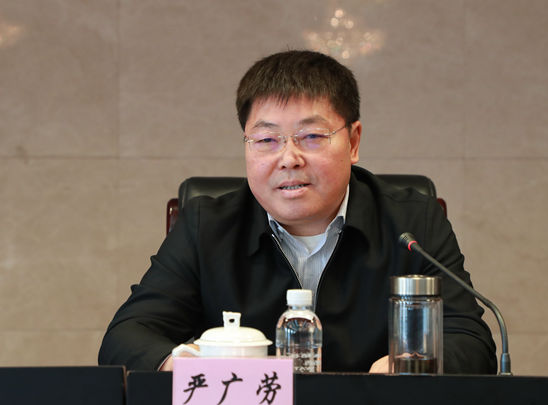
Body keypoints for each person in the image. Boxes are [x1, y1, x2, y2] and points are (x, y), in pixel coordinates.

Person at [98, 50, 497, 374]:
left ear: (353, 142)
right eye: (266, 139)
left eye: (311, 136)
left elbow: (470, 342)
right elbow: (128, 337)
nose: (289, 158)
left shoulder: (412, 223)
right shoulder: (208, 226)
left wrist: (405, 368)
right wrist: (192, 369)